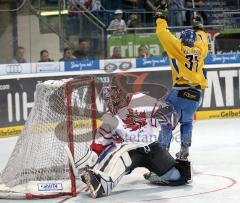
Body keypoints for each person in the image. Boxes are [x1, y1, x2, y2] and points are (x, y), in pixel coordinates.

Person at [80, 78, 192, 198]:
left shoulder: (142, 100)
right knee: (119, 154)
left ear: (125, 96)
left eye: (115, 101)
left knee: (178, 176)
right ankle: (103, 183)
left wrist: (168, 116)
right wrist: (91, 158)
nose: (112, 104)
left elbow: (170, 116)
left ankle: (157, 175)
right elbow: (100, 142)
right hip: (129, 152)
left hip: (152, 148)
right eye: (110, 101)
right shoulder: (109, 117)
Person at [154, 1, 208, 160]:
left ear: (182, 39)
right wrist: (199, 27)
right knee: (187, 122)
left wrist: (160, 17)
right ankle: (184, 153)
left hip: (180, 93)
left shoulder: (177, 47)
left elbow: (162, 33)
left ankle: (161, 157)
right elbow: (203, 39)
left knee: (167, 124)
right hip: (196, 94)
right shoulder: (201, 50)